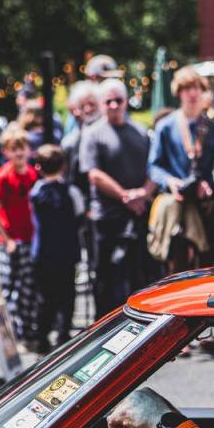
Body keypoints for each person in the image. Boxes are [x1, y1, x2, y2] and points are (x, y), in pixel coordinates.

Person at [79, 79, 156, 318]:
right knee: (105, 275)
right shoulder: (92, 134)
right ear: (101, 104)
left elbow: (155, 168)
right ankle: (104, 325)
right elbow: (93, 174)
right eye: (108, 101)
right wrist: (124, 196)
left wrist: (143, 193)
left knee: (139, 274)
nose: (114, 105)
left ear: (126, 102)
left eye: (118, 100)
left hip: (139, 214)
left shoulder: (141, 132)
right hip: (107, 216)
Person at [148, 66, 214, 270]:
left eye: (197, 88)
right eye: (186, 88)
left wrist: (209, 184)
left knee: (206, 265)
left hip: (204, 206)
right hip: (177, 206)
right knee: (177, 265)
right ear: (178, 92)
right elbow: (154, 166)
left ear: (202, 91)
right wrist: (170, 182)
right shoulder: (166, 126)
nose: (192, 93)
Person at [29, 145, 84, 351]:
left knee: (44, 296)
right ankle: (63, 335)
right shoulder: (71, 191)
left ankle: (42, 336)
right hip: (67, 251)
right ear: (63, 166)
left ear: (38, 167)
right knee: (67, 295)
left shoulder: (36, 192)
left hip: (42, 252)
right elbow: (79, 217)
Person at [0, 126, 40, 347]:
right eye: (14, 149)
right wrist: (6, 239)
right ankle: (14, 335)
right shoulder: (3, 176)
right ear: (6, 152)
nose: (19, 153)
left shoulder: (32, 173)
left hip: (30, 239)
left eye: (22, 148)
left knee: (29, 288)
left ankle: (29, 331)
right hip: (11, 241)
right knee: (10, 289)